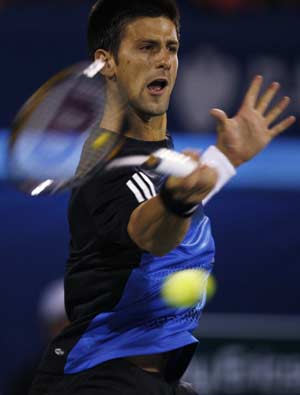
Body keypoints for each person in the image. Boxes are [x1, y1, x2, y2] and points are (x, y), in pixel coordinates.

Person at [29, 0, 295, 394]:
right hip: (98, 380)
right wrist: (177, 202)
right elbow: (153, 235)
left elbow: (171, 196)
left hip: (154, 380)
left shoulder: (153, 154)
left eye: (171, 47)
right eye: (146, 47)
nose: (164, 60)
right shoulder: (107, 165)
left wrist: (226, 158)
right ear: (107, 63)